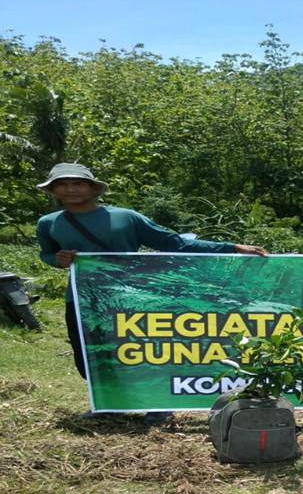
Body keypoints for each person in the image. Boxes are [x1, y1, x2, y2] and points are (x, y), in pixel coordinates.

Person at [36, 162, 268, 418]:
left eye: (78, 183)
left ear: (93, 188)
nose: (71, 189)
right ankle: (109, 405)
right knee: (89, 354)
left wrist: (232, 247)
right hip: (82, 299)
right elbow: (47, 254)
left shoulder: (125, 218)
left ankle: (159, 405)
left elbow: (174, 243)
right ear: (53, 190)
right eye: (63, 184)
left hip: (132, 297)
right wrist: (58, 260)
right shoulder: (48, 223)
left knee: (141, 350)